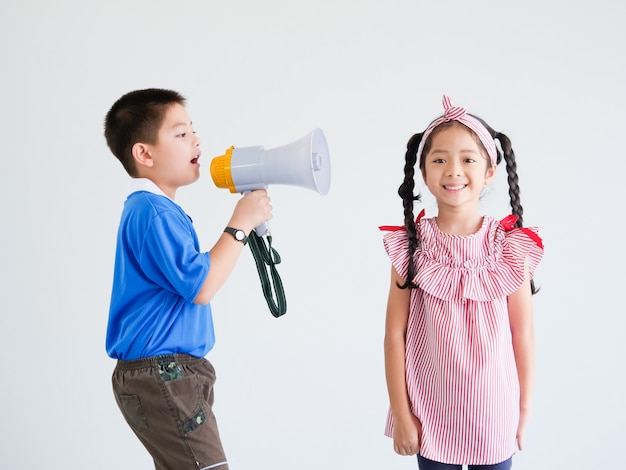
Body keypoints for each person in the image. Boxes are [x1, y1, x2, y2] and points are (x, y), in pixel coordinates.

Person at [103, 88, 272, 470]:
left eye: (193, 130)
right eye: (180, 134)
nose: (196, 140)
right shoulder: (154, 212)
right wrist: (240, 223)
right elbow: (202, 286)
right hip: (164, 372)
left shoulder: (155, 210)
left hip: (169, 373)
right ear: (144, 153)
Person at [380, 96, 544, 469]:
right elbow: (394, 336)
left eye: (468, 159)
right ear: (423, 170)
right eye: (440, 159)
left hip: (494, 411)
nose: (453, 170)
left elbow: (523, 334)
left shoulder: (509, 247)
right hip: (431, 413)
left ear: (489, 170)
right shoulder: (411, 246)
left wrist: (524, 407)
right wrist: (402, 415)